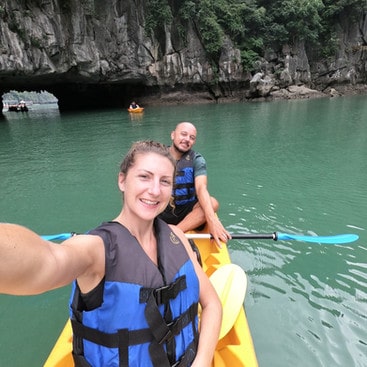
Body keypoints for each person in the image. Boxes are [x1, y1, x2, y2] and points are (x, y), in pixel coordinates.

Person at [0, 140, 222, 367]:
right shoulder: (96, 249)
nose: (155, 190)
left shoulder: (177, 237)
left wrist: (202, 360)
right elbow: (47, 262)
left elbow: (213, 304)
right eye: (144, 177)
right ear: (122, 181)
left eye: (165, 181)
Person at [159, 122, 231, 247]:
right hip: (162, 211)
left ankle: (175, 233)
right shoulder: (157, 155)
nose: (187, 139)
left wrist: (212, 220)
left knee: (213, 202)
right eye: (183, 134)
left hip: (187, 212)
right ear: (173, 135)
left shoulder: (197, 159)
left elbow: (201, 187)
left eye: (192, 137)